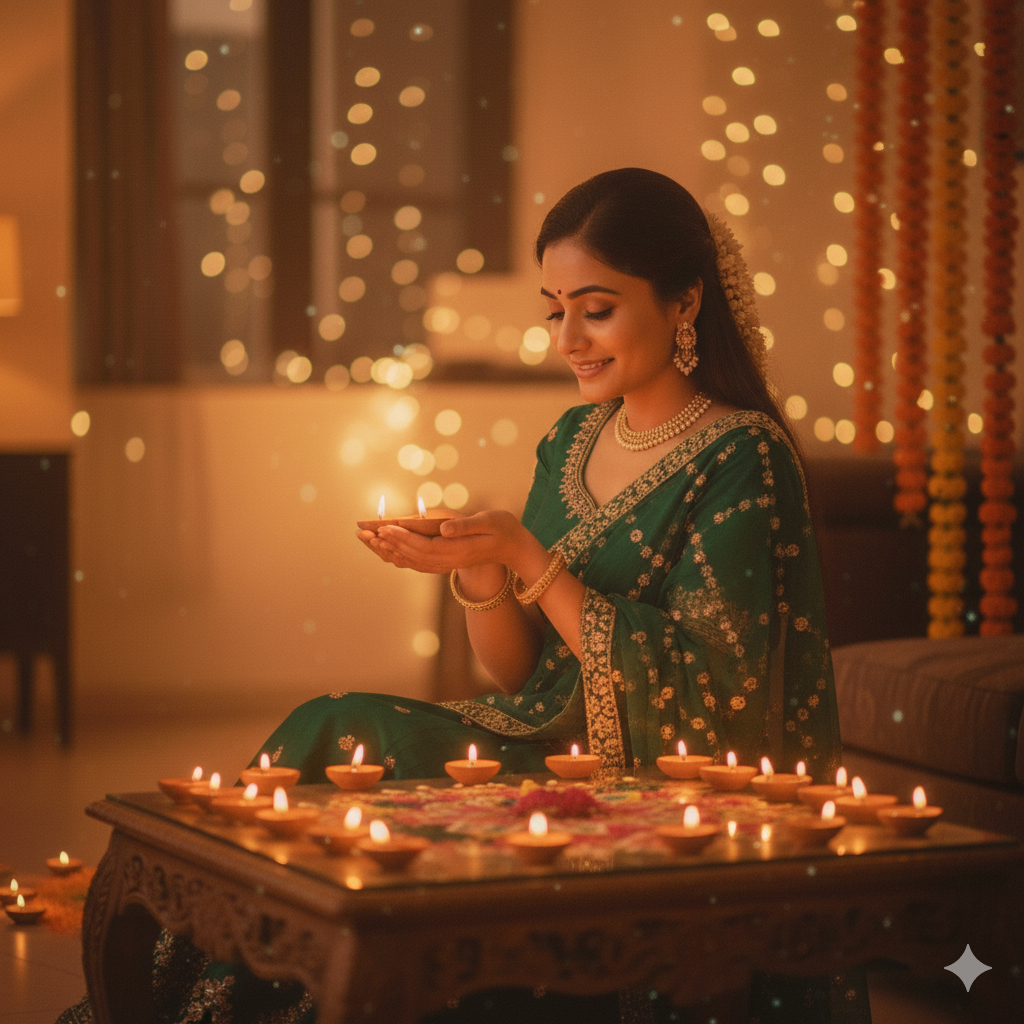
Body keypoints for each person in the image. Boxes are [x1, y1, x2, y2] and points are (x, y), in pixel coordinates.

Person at [60, 169, 866, 1024]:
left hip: (645, 788)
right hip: (538, 740)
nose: (569, 339)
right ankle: (192, 996)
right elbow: (523, 677)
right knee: (331, 725)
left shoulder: (744, 457)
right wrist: (480, 572)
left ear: (684, 301)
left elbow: (722, 701)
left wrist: (526, 553)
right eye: (555, 311)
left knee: (338, 728)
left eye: (596, 309)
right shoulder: (572, 440)